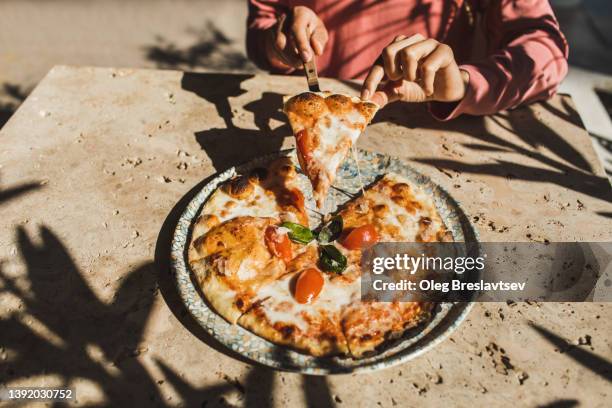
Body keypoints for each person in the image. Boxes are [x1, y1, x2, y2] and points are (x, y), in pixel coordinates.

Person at [246, 0, 568, 120]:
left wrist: (466, 84)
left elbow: (545, 51)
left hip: (427, 123)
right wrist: (277, 44)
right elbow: (262, 24)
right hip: (306, 123)